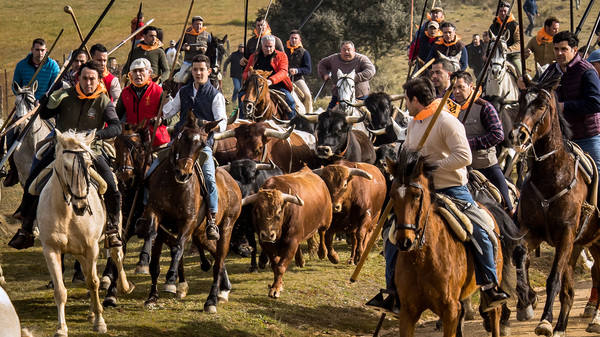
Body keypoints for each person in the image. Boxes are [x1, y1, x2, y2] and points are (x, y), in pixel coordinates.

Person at [368, 77, 509, 313]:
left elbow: (465, 157)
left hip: (452, 188)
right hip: (421, 192)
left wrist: (431, 166)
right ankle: (393, 292)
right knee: (392, 234)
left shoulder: (446, 122)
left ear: (415, 100)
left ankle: (488, 285)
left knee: (481, 228)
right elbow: (411, 153)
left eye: (407, 100)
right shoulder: (414, 122)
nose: (406, 105)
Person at [8, 61, 123, 249]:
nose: (88, 82)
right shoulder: (65, 95)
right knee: (31, 184)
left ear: (98, 80)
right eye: (84, 78)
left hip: (90, 151)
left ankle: (112, 229)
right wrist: (45, 99)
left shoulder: (103, 101)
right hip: (60, 150)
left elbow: (117, 126)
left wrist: (96, 135)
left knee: (111, 186)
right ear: (79, 78)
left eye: (92, 79)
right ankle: (26, 230)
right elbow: (44, 114)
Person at [163, 54, 226, 240]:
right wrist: (164, 95)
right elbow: (168, 112)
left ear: (208, 71)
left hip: (201, 145)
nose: (198, 73)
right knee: (154, 168)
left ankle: (212, 219)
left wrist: (205, 124)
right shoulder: (184, 91)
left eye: (201, 70)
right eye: (195, 69)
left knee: (208, 177)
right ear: (192, 71)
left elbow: (222, 124)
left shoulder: (215, 95)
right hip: (180, 143)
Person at [537, 31, 600, 173]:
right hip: (560, 139)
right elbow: (539, 96)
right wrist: (526, 86)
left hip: (587, 137)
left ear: (574, 50)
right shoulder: (551, 71)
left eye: (564, 49)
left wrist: (563, 106)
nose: (559, 53)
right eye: (556, 49)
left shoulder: (586, 71)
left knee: (597, 176)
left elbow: (596, 103)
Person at [452, 71, 513, 213]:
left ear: (471, 86)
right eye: (454, 88)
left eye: (461, 87)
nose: (457, 91)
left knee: (506, 204)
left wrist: (469, 144)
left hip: (485, 166)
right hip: (459, 170)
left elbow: (498, 135)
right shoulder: (449, 109)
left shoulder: (485, 107)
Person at [4, 38, 61, 187]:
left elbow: (55, 87)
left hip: (45, 109)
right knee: (8, 135)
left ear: (46, 51)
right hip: (24, 108)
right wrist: (22, 95)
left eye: (43, 50)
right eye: (37, 50)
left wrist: (42, 101)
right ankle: (13, 170)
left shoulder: (52, 66)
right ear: (32, 50)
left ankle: (59, 163)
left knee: (58, 132)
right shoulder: (21, 66)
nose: (40, 53)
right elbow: (14, 86)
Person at [116, 58, 170, 147]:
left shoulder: (159, 91)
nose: (137, 74)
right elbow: (117, 115)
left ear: (149, 72)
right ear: (130, 74)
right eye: (134, 71)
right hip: (132, 139)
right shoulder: (125, 92)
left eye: (141, 71)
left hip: (155, 139)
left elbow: (171, 116)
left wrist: (161, 120)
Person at [242, 35, 297, 118]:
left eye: (270, 46)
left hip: (277, 86)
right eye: (266, 46)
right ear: (261, 45)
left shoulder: (281, 56)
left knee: (290, 101)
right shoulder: (254, 56)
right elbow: (244, 73)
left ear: (274, 46)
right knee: (241, 97)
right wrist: (248, 75)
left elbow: (283, 72)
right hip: (256, 87)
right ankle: (242, 120)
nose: (268, 49)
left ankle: (291, 123)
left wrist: (271, 81)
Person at [317, 41, 376, 109]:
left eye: (349, 49)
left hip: (360, 96)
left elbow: (371, 70)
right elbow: (322, 64)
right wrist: (324, 74)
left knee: (369, 116)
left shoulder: (362, 59)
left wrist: (353, 78)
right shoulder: (333, 59)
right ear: (341, 51)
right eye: (344, 50)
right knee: (328, 117)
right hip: (338, 97)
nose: (346, 52)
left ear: (354, 50)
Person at [173, 16, 212, 84]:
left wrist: (206, 50)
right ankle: (180, 92)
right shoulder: (186, 34)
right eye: (196, 24)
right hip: (188, 61)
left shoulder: (207, 35)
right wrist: (183, 48)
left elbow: (212, 50)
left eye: (200, 24)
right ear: (192, 25)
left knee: (216, 77)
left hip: (203, 62)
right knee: (180, 78)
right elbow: (177, 47)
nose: (198, 26)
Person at [489, 1, 522, 75]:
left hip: (512, 56)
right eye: (501, 11)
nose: (503, 13)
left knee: (522, 75)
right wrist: (486, 54)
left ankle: (526, 86)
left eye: (505, 11)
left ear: (509, 12)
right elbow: (490, 42)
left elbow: (519, 43)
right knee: (480, 78)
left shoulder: (515, 26)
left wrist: (507, 50)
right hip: (496, 57)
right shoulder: (493, 26)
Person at [285, 30, 313, 114]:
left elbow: (308, 70)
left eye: (295, 38)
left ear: (299, 39)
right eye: (292, 38)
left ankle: (308, 116)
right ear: (289, 39)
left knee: (307, 95)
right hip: (284, 79)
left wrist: (297, 70)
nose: (293, 40)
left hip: (297, 79)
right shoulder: (283, 50)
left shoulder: (305, 52)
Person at [223, 44, 245, 110]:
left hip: (243, 75)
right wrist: (224, 70)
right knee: (237, 88)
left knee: (242, 90)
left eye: (243, 47)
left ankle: (240, 103)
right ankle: (233, 100)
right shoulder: (234, 54)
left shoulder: (246, 55)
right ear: (238, 48)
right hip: (235, 75)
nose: (242, 48)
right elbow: (226, 62)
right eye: (240, 47)